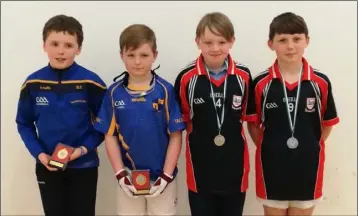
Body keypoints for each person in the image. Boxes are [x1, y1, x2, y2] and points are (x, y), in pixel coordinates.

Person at [247, 12, 340, 216]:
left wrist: (311, 145)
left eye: (297, 39)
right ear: (270, 44)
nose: (290, 46)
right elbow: (252, 124)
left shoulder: (320, 82)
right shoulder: (261, 83)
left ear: (307, 41)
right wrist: (268, 147)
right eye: (283, 40)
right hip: (272, 167)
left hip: (308, 166)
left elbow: (327, 123)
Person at [15, 14, 106, 216]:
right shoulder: (32, 84)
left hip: (84, 166)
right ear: (44, 45)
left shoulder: (92, 83)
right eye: (54, 43)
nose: (61, 51)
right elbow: (23, 123)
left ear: (78, 49)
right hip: (47, 165)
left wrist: (82, 150)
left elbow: (104, 125)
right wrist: (39, 154)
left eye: (68, 45)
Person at [93, 24, 185, 216]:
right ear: (121, 56)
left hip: (162, 177)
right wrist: (120, 174)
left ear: (155, 55)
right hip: (128, 175)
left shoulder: (165, 90)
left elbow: (175, 135)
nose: (137, 62)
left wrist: (166, 175)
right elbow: (110, 136)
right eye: (131, 55)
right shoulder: (114, 93)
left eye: (144, 55)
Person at [174, 12, 256, 216]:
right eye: (208, 42)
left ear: (232, 42)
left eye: (222, 41)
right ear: (197, 42)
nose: (215, 48)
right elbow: (179, 123)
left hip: (235, 169)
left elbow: (251, 119)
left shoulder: (244, 77)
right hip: (200, 170)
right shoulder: (186, 78)